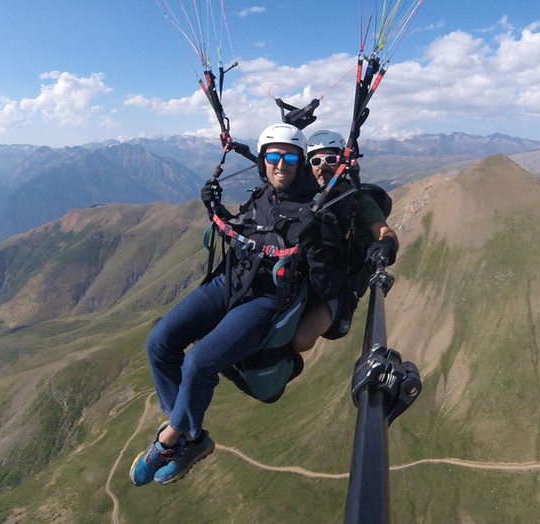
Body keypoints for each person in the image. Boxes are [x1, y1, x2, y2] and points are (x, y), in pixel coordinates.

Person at [129, 123, 344, 487]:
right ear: (262, 161)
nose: (281, 164)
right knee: (159, 343)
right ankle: (190, 435)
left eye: (290, 157)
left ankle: (170, 438)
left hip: (265, 300)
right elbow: (244, 227)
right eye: (273, 156)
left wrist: (318, 243)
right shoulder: (263, 195)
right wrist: (213, 206)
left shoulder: (316, 209)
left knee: (200, 361)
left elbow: (327, 284)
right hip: (229, 282)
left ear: (300, 163)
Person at [289, 129, 399, 351]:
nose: (322, 166)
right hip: (309, 274)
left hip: (341, 283)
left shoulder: (358, 201)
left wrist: (385, 245)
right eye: (315, 161)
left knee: (300, 339)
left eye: (330, 159)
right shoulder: (307, 200)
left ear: (343, 163)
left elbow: (384, 231)